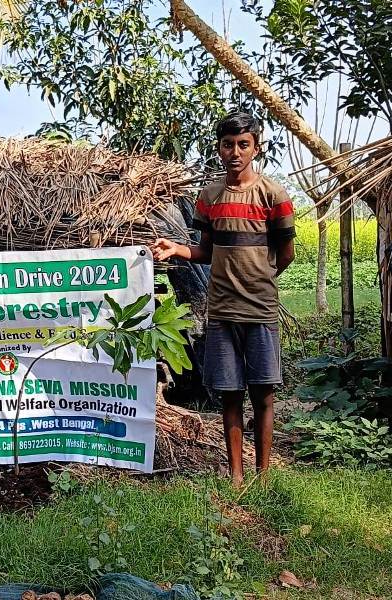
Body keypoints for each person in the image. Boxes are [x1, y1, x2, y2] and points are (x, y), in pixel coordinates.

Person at [151, 112, 296, 486]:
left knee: (263, 393)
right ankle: (236, 475)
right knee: (230, 395)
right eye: (228, 144)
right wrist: (178, 249)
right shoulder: (210, 197)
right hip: (221, 311)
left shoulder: (273, 195)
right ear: (219, 148)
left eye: (243, 145)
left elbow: (287, 253)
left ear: (256, 148)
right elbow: (205, 251)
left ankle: (263, 478)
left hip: (260, 311)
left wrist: (259, 279)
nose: (235, 152)